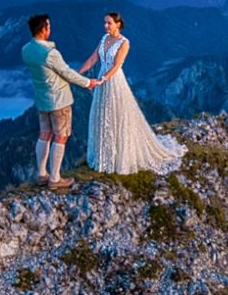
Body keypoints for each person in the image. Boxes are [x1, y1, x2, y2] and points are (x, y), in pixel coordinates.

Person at [80, 11, 186, 174]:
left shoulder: (124, 43)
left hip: (114, 81)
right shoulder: (103, 39)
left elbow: (116, 65)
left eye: (109, 23)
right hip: (103, 79)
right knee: (102, 115)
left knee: (116, 115)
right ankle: (105, 156)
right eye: (105, 22)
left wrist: (103, 79)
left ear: (118, 24)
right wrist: (78, 73)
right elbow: (93, 58)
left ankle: (118, 157)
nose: (105, 26)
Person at [22, 13, 101, 190]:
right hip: (59, 100)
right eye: (48, 26)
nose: (50, 29)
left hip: (42, 99)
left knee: (44, 135)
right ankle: (55, 178)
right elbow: (66, 72)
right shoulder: (50, 53)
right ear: (43, 30)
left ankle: (42, 174)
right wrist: (88, 82)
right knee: (61, 136)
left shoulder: (26, 49)